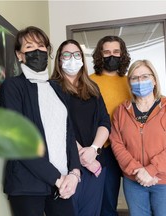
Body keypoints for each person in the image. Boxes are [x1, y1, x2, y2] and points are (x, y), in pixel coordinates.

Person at [0, 26, 81, 216]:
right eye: (29, 47)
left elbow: (69, 133)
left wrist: (75, 173)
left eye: (41, 45)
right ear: (20, 55)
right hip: (28, 185)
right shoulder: (13, 87)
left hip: (64, 184)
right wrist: (57, 179)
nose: (37, 50)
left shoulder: (57, 88)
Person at [111, 59, 166, 216]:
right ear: (129, 83)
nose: (140, 81)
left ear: (154, 80)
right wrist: (138, 171)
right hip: (134, 181)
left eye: (145, 76)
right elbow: (117, 145)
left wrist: (152, 170)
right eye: (134, 78)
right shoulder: (121, 111)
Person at [51, 39, 111, 216]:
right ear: (59, 60)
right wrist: (82, 156)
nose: (72, 59)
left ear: (82, 59)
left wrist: (93, 149)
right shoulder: (51, 87)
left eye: (77, 54)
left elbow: (104, 121)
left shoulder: (92, 87)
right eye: (67, 55)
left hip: (94, 164)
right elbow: (56, 126)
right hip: (67, 166)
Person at [90, 35, 131, 216]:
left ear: (122, 55)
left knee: (110, 200)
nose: (111, 56)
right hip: (97, 147)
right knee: (92, 199)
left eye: (116, 52)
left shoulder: (130, 82)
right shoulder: (88, 81)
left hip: (123, 147)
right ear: (100, 55)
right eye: (106, 52)